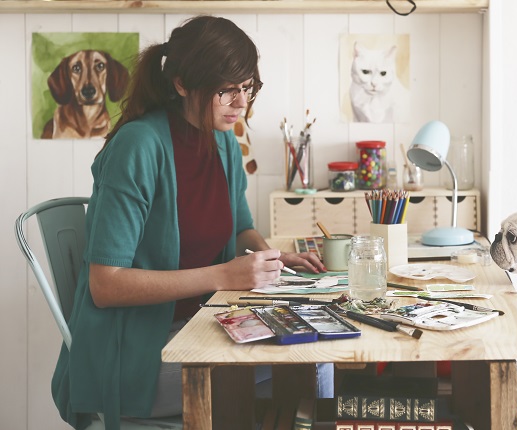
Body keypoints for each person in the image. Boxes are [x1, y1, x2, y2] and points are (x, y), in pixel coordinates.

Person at [50, 15, 328, 429]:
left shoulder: (223, 142)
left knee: (319, 351)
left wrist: (271, 256)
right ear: (181, 84)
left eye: (248, 87)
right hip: (134, 356)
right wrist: (224, 276)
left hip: (197, 324)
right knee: (308, 363)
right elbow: (104, 285)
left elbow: (239, 230)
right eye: (226, 90)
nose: (241, 103)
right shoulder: (138, 147)